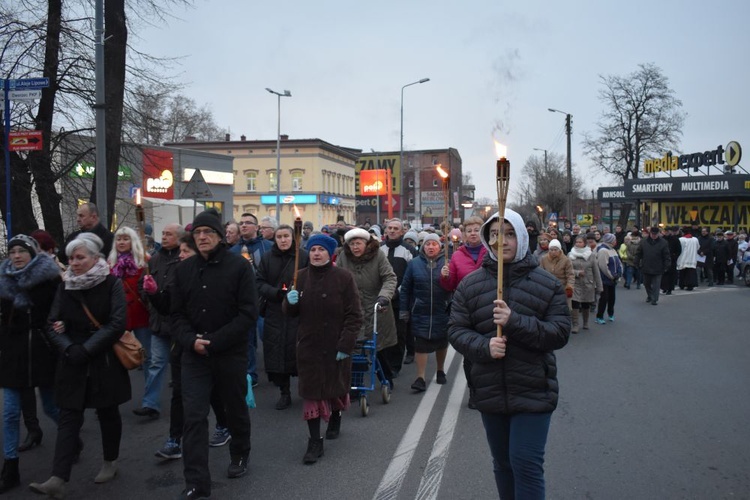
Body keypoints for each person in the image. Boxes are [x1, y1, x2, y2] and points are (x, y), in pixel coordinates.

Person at [448, 208, 570, 499]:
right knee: (503, 464)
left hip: (532, 390)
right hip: (489, 389)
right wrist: (484, 347)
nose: (500, 241)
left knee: (525, 463)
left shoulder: (547, 284)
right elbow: (456, 330)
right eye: (494, 234)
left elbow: (559, 332)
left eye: (509, 234)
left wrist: (514, 322)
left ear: (523, 238)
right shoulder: (470, 285)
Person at [30, 233, 129, 497]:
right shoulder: (66, 286)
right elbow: (52, 323)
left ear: (95, 258)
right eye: (71, 258)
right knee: (68, 416)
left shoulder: (112, 284)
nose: (73, 263)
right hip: (72, 358)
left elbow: (117, 323)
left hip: (102, 358)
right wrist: (69, 347)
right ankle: (58, 478)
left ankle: (110, 461)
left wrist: (87, 348)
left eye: (80, 257)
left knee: (107, 413)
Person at [170, 209, 257, 499]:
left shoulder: (239, 267)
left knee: (233, 407)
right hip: (193, 355)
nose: (202, 237)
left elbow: (247, 313)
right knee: (193, 416)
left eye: (208, 232)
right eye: (197, 233)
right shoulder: (184, 270)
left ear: (219, 236)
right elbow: (176, 315)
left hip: (228, 352)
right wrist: (189, 340)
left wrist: (215, 341)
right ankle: (196, 481)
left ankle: (240, 453)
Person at [283, 234, 362, 464]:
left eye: (321, 250)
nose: (316, 253)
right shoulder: (300, 276)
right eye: (313, 249)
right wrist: (290, 301)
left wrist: (346, 344)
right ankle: (315, 441)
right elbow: (289, 313)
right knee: (311, 394)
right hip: (309, 346)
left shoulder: (344, 277)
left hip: (336, 343)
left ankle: (336, 416)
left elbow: (354, 315)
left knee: (335, 387)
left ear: (330, 253)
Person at [0, 236, 61, 493]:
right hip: (12, 354)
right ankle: (10, 467)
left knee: (50, 407)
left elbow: (61, 311)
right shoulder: (3, 281)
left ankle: (72, 439)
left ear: (33, 253)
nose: (16, 256)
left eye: (21, 251)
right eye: (12, 251)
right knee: (10, 412)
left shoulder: (50, 280)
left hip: (41, 351)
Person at [107, 226, 166, 419]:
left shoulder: (145, 262)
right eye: (119, 239)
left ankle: (151, 403)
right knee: (116, 359)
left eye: (126, 239)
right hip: (118, 318)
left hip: (141, 315)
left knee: (149, 358)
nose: (122, 242)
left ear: (133, 241)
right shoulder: (110, 264)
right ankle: (110, 399)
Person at [143, 224, 186, 459]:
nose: (164, 237)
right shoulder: (156, 259)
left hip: (184, 332)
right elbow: (158, 296)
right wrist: (150, 294)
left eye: (168, 234)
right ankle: (172, 436)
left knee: (200, 389)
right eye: (163, 233)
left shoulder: (183, 262)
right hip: (160, 324)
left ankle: (222, 424)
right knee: (159, 365)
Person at [336, 228, 398, 387]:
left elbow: (389, 277)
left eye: (358, 243)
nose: (355, 247)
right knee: (354, 348)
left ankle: (387, 378)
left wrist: (384, 296)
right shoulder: (344, 257)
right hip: (353, 307)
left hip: (376, 306)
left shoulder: (378, 255)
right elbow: (337, 278)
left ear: (366, 243)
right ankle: (356, 385)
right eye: (352, 244)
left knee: (378, 346)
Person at [256, 225, 309, 410]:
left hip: (298, 311)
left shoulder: (302, 256)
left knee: (300, 351)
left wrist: (301, 294)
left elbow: (311, 278)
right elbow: (259, 282)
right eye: (279, 236)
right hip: (275, 311)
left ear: (293, 238)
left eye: (286, 236)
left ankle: (307, 390)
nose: (283, 240)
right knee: (278, 352)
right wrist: (277, 293)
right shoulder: (267, 257)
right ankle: (284, 392)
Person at [439, 215, 488, 408]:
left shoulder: (491, 252)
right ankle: (474, 391)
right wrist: (445, 277)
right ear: (464, 235)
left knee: (488, 350)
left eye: (477, 230)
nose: (473, 234)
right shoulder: (457, 256)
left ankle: (487, 390)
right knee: (470, 353)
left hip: (488, 308)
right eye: (469, 231)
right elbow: (449, 285)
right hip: (466, 310)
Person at [399, 233, 451, 392]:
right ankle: (420, 377)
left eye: (434, 244)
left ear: (439, 247)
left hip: (442, 309)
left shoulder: (447, 263)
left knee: (441, 342)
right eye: (427, 244)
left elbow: (455, 285)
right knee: (420, 344)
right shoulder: (414, 264)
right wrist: (404, 310)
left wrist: (448, 276)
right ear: (423, 247)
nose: (430, 247)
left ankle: (440, 370)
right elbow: (406, 288)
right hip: (420, 310)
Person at [229, 213, 271, 388]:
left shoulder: (268, 247)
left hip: (265, 301)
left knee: (267, 336)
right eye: (241, 223)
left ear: (256, 227)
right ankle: (250, 374)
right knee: (247, 340)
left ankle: (274, 369)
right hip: (243, 302)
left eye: (248, 223)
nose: (244, 226)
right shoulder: (232, 251)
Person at [379, 218, 416, 376]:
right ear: (385, 230)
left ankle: (395, 366)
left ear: (402, 232)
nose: (392, 231)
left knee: (399, 334)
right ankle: (384, 364)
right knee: (382, 332)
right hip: (381, 299)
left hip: (402, 299)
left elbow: (413, 274)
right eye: (390, 228)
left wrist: (399, 291)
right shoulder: (378, 249)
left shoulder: (409, 250)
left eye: (396, 228)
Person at [568, 235, 602, 332]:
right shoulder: (570, 254)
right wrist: (577, 273)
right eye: (577, 242)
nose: (578, 244)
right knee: (574, 303)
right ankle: (575, 324)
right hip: (575, 283)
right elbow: (568, 269)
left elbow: (596, 271)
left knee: (585, 304)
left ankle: (585, 322)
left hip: (588, 283)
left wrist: (599, 287)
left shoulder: (590, 255)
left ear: (584, 243)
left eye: (580, 242)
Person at [635, 227, 671, 305]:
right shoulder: (644, 241)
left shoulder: (663, 242)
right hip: (646, 266)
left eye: (655, 234)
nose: (654, 235)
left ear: (658, 234)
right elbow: (638, 253)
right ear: (650, 233)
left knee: (656, 285)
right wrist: (636, 262)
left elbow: (666, 255)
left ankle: (654, 299)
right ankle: (650, 295)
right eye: (652, 234)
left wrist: (666, 265)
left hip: (658, 266)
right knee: (646, 283)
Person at [539, 239, 575, 313]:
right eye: (551, 250)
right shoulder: (544, 259)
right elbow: (540, 273)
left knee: (564, 310)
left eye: (555, 250)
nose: (553, 252)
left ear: (559, 249)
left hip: (562, 287)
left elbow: (570, 275)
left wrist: (569, 287)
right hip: (548, 287)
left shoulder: (566, 260)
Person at [595, 233, 623, 323]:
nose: (616, 241)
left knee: (612, 298)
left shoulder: (613, 250)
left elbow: (618, 262)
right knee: (604, 298)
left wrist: (619, 273)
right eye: (614, 240)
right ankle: (599, 316)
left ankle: (611, 314)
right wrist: (611, 276)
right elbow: (603, 266)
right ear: (610, 241)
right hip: (605, 279)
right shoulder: (603, 250)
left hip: (613, 279)